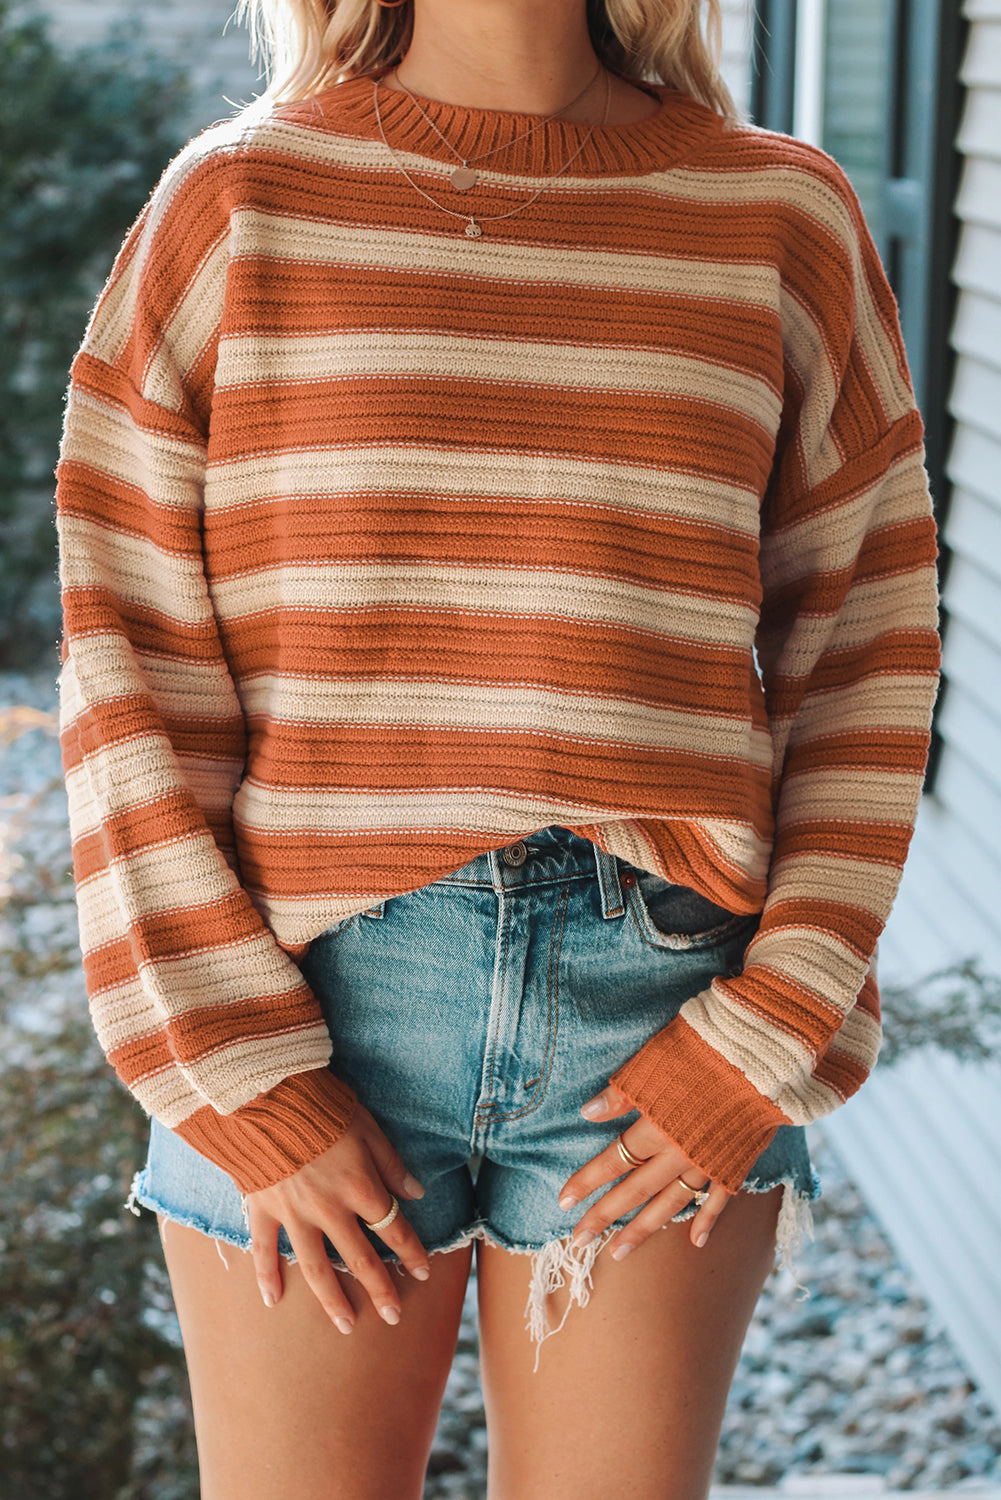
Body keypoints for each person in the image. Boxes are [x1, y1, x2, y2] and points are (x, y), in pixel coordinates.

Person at [54, 0, 941, 1494]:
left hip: (663, 1006)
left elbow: (865, 651)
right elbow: (130, 665)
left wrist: (767, 1033)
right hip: (305, 1000)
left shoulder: (776, 214)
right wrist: (238, 1069)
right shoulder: (237, 201)